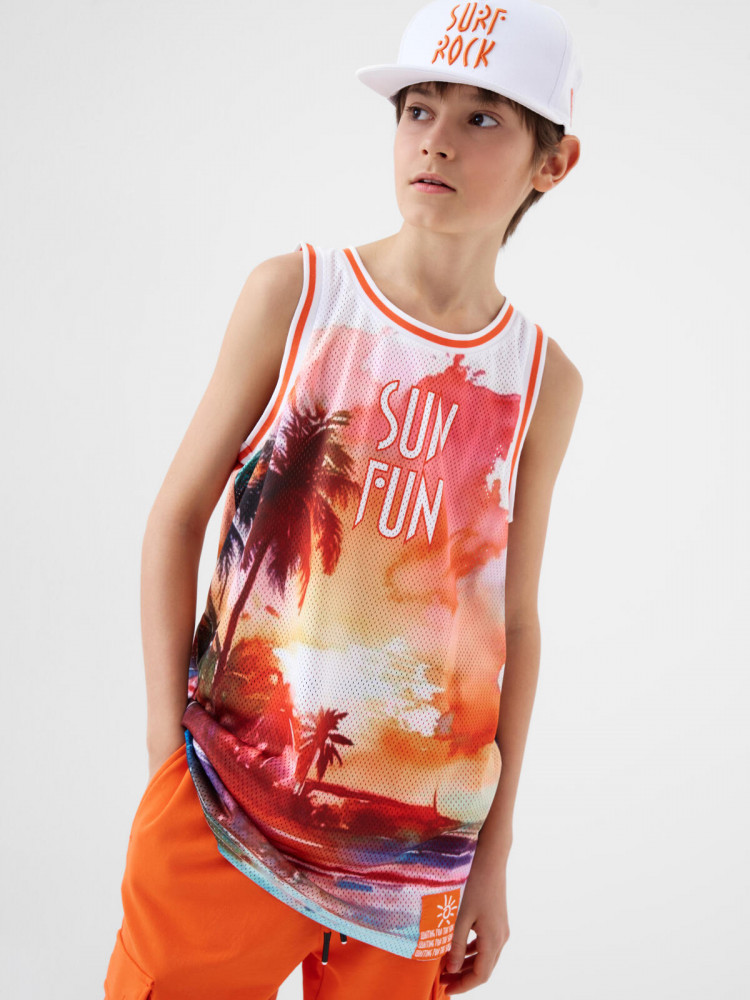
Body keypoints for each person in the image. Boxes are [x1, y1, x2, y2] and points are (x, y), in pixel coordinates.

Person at [102, 0, 585, 997]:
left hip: (413, 868)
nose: (436, 140)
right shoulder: (298, 295)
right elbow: (177, 516)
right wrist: (164, 756)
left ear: (554, 162)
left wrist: (492, 859)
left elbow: (514, 623)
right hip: (223, 812)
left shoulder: (541, 381)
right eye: (418, 108)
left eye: (482, 117)